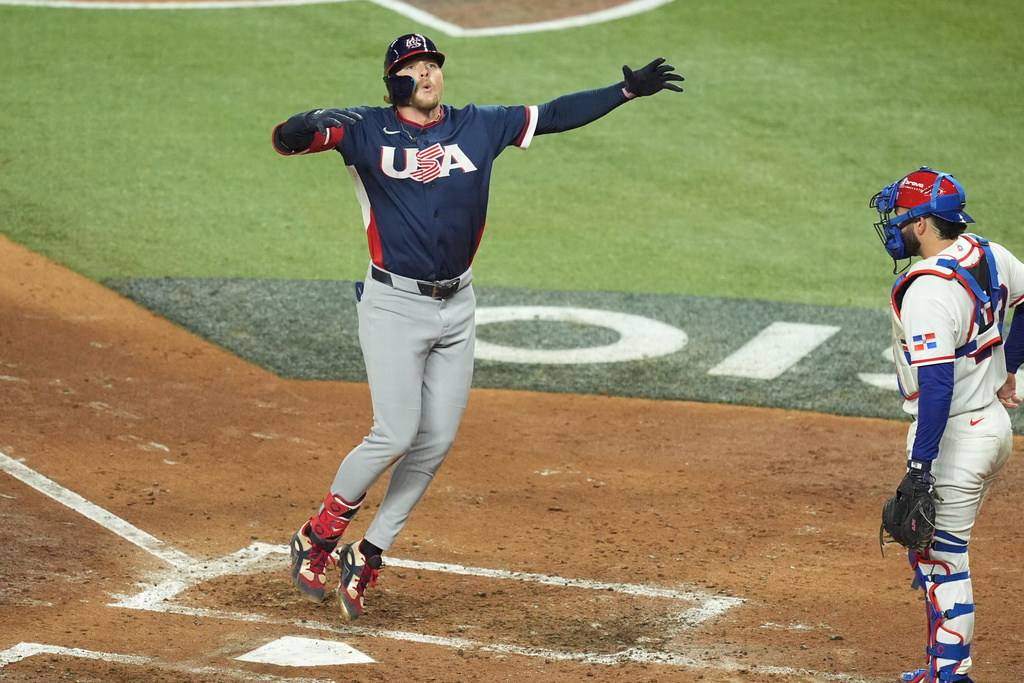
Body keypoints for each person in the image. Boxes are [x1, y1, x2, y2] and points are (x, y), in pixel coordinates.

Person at [272, 33, 683, 620]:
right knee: (395, 432)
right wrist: (305, 121)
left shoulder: (478, 126)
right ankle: (318, 535)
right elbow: (286, 143)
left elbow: (555, 115)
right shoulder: (364, 129)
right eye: (413, 68)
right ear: (393, 82)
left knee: (434, 441)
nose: (427, 75)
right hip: (393, 304)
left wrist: (624, 91)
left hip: (457, 307)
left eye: (432, 65)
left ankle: (368, 553)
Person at [871, 166, 1024, 683]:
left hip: (959, 435)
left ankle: (951, 676)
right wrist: (1010, 370)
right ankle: (943, 669)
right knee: (934, 552)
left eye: (900, 217)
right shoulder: (988, 252)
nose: (893, 226)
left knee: (942, 561)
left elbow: (935, 386)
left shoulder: (927, 293)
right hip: (992, 425)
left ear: (923, 225)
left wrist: (920, 465)